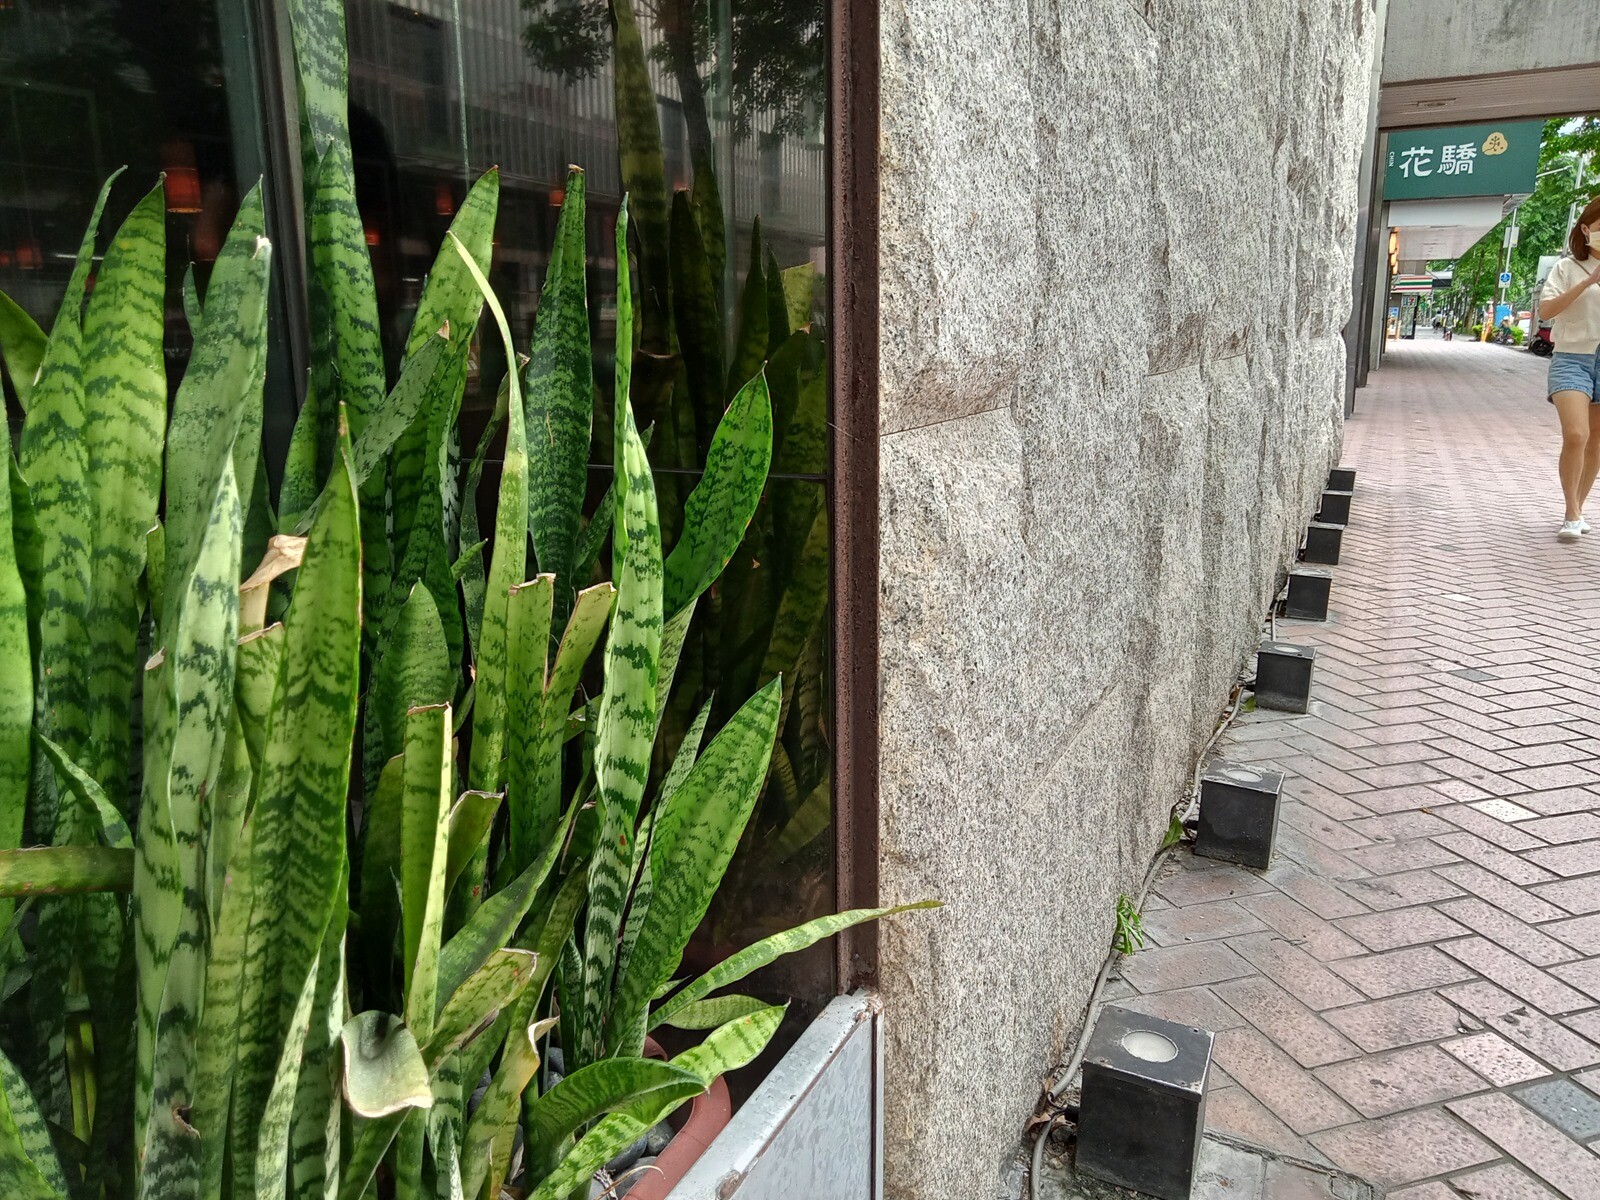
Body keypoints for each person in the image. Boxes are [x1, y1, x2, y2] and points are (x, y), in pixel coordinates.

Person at [1537, 195, 1600, 542]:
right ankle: (1572, 511)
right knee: (1577, 434)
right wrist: (1588, 282)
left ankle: (1576, 509)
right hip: (1572, 358)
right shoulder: (1566, 268)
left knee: (1596, 441)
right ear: (1586, 230)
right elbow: (1547, 311)